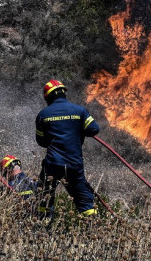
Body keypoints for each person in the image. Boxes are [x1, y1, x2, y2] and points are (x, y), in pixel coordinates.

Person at [35, 79, 101, 218]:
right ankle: (93, 226)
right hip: (73, 165)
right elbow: (94, 129)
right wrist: (78, 130)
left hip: (53, 164)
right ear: (64, 93)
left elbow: (41, 141)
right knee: (84, 199)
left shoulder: (43, 115)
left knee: (44, 196)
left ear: (47, 96)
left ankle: (41, 226)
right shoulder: (79, 111)